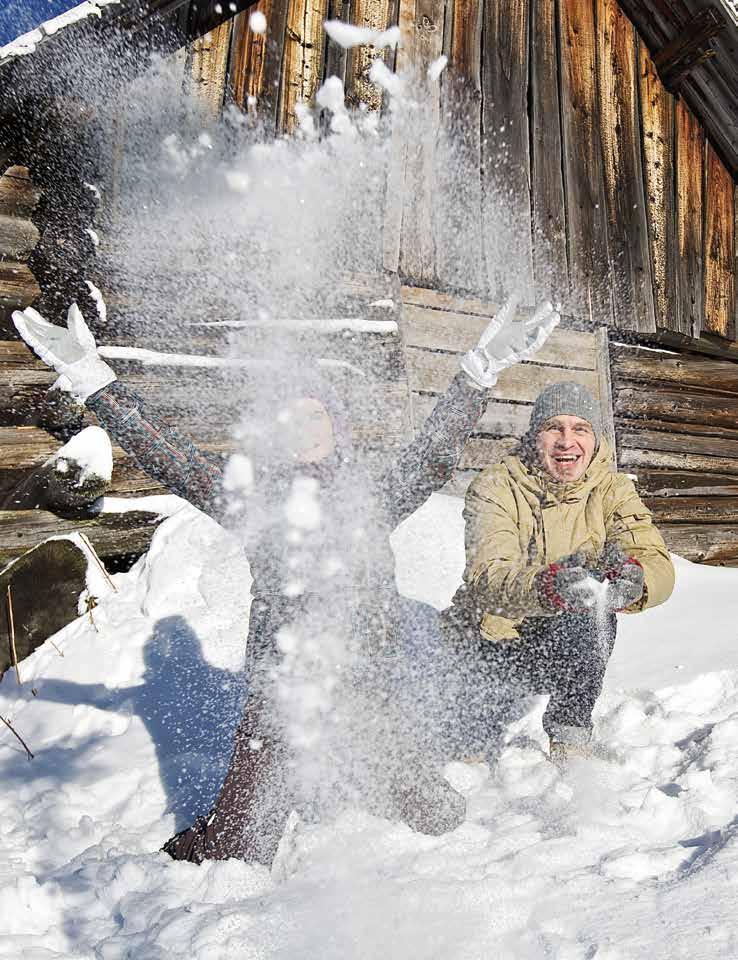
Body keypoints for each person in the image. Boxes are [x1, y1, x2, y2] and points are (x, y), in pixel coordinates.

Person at [13, 291, 560, 864]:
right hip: (282, 697)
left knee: (437, 813)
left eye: (316, 414)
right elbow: (168, 455)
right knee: (236, 850)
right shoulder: (255, 501)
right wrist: (92, 377)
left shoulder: (371, 495)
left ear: (335, 424)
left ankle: (372, 768)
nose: (305, 427)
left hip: (368, 687)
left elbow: (431, 453)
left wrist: (479, 371)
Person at [443, 381, 675, 765]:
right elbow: (487, 576)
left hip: (559, 640)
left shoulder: (612, 489)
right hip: (489, 640)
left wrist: (636, 579)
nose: (567, 441)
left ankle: (570, 737)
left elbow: (653, 558)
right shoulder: (497, 485)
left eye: (580, 429)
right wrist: (547, 587)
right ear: (536, 436)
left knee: (592, 611)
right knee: (467, 755)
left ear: (595, 440)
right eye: (555, 427)